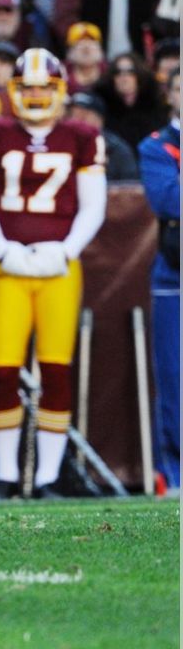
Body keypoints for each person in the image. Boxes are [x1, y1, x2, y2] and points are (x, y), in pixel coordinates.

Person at [0, 49, 108, 499]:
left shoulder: (82, 136)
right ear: (14, 91)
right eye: (29, 88)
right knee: (4, 370)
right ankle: (6, 476)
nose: (38, 96)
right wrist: (2, 249)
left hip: (59, 269)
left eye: (45, 88)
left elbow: (94, 206)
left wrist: (66, 249)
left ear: (61, 89)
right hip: (9, 268)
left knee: (55, 371)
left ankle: (46, 478)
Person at [138, 68, 180, 494]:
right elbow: (167, 198)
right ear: (170, 95)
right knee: (174, 377)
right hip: (175, 272)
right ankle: (176, 473)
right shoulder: (155, 146)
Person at [68, 91, 140, 180]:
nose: (76, 120)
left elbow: (130, 187)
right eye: (71, 114)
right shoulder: (60, 145)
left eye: (83, 115)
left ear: (100, 119)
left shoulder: (116, 149)